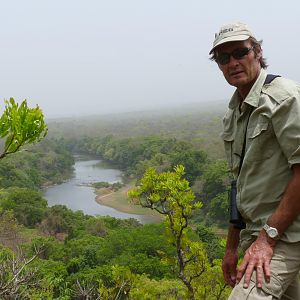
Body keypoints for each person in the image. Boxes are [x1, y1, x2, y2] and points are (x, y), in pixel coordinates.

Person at [209, 22, 300, 299]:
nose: (233, 63)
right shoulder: (235, 111)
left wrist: (267, 238)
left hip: (286, 234)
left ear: (257, 51)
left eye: (240, 52)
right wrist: (231, 247)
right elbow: (240, 184)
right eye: (224, 58)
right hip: (258, 234)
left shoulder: (283, 97)